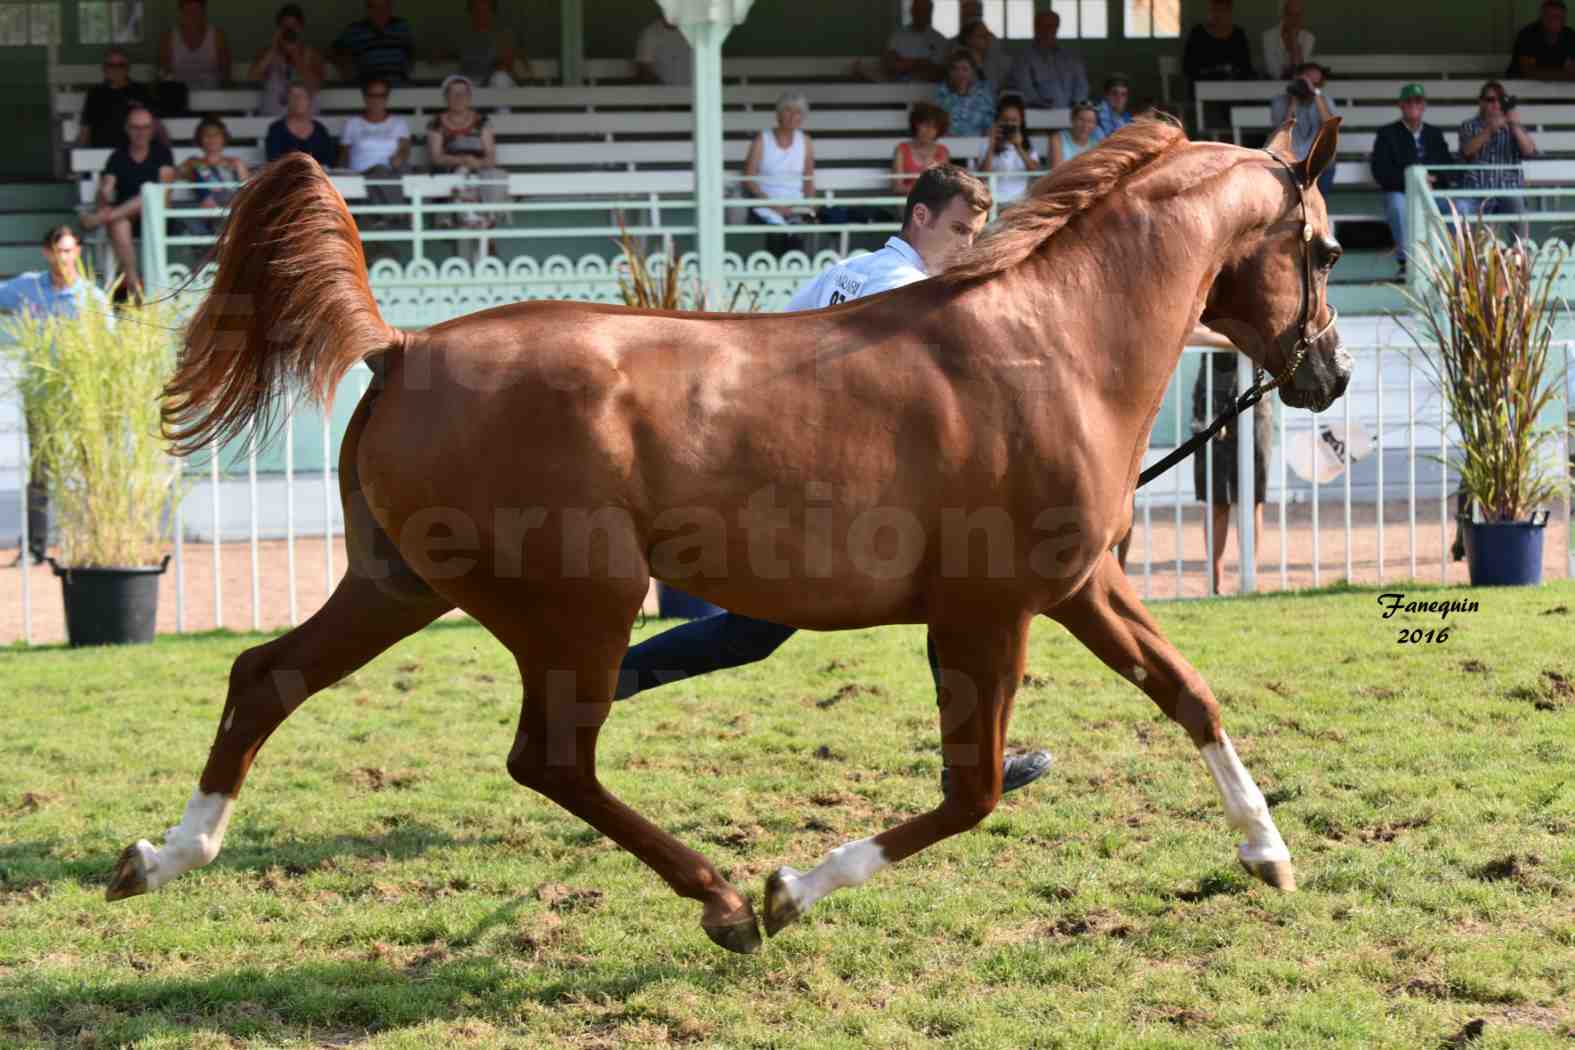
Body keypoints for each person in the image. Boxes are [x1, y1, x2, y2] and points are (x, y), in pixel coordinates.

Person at [615, 165, 1054, 798]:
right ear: (920, 217)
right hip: (839, 498)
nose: (968, 246)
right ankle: (969, 762)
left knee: (761, 633)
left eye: (976, 234)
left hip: (812, 486)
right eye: (959, 229)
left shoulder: (846, 273)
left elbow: (771, 339)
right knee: (944, 598)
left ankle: (599, 681)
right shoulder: (909, 291)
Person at [0, 227, 112, 566]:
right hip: (41, 393)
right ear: (46, 253)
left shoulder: (93, 298)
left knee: (90, 467)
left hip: (82, 392)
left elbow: (110, 347)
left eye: (67, 250)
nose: (62, 257)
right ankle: (34, 549)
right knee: (40, 472)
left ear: (77, 251)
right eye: (56, 251)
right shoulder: (27, 287)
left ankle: (97, 543)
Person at [1192, 348, 1272, 595]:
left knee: (1253, 499)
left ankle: (1249, 580)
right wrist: (1234, 339)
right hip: (1211, 398)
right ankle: (1215, 584)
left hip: (1256, 398)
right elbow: (1194, 332)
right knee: (1216, 499)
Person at [78, 105, 174, 300]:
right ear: (127, 129)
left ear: (152, 129)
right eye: (135, 127)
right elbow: (105, 190)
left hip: (157, 219)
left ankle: (100, 219)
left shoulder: (162, 153)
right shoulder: (118, 156)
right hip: (125, 220)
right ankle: (134, 284)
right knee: (118, 222)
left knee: (148, 194)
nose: (141, 132)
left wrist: (102, 215)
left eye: (145, 127)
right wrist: (103, 193)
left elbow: (163, 195)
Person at [1370, 84, 1452, 280]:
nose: (1413, 105)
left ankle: (1447, 264)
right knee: (1397, 206)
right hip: (1402, 191)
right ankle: (1407, 263)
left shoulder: (1434, 134)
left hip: (1433, 192)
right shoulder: (1387, 133)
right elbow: (1381, 172)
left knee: (1455, 207)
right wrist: (1414, 183)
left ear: (1424, 105)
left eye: (1418, 101)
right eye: (1408, 101)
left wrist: (1436, 179)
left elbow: (1447, 166)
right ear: (1401, 105)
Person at [426, 74, 508, 234]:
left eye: (463, 93)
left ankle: (484, 218)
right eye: (454, 93)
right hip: (449, 168)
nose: (459, 97)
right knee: (462, 174)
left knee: (495, 176)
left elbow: (491, 156)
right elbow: (436, 157)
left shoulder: (482, 121)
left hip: (478, 168)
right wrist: (461, 160)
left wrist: (477, 163)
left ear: (469, 97)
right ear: (446, 97)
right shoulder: (436, 123)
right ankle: (471, 220)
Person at [1457, 81, 1538, 235]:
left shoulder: (1514, 127)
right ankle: (1467, 256)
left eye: (1499, 99)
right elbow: (1466, 151)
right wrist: (1489, 130)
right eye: (1490, 99)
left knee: (1518, 205)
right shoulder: (1469, 126)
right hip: (1477, 190)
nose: (1495, 103)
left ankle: (1521, 254)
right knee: (1461, 207)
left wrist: (1514, 125)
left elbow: (1529, 151)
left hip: (1508, 188)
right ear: (1481, 102)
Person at [742, 92, 816, 255]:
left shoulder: (806, 142)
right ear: (778, 114)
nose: (792, 116)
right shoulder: (762, 140)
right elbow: (749, 180)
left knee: (798, 235)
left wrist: (810, 206)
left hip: (795, 204)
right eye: (787, 110)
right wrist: (775, 206)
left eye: (798, 112)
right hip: (767, 204)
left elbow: (808, 181)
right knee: (777, 235)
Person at [339, 77, 411, 226]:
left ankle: (384, 217)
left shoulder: (398, 123)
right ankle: (398, 215)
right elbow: (344, 154)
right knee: (376, 172)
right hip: (360, 173)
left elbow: (405, 149)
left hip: (392, 171)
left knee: (384, 174)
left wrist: (399, 157)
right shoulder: (352, 124)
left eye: (381, 95)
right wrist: (344, 174)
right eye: (372, 95)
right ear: (365, 98)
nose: (377, 100)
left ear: (387, 98)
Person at [171, 116, 248, 237]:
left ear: (223, 137)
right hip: (205, 214)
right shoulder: (194, 163)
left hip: (230, 213)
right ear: (200, 139)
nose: (212, 139)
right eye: (206, 135)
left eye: (216, 134)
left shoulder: (236, 163)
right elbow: (171, 175)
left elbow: (246, 192)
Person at [1269, 62, 1337, 198]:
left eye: (1315, 83)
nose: (1309, 86)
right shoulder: (1280, 101)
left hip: (1319, 165)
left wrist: (1315, 94)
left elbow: (1330, 125)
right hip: (1289, 164)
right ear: (1296, 78)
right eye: (1306, 80)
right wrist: (1294, 99)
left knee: (1315, 205)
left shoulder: (1324, 101)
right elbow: (1282, 131)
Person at [249, 3, 325, 118]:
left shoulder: (312, 54)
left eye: (294, 27)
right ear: (278, 29)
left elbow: (314, 87)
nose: (290, 31)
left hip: (304, 120)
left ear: (301, 29)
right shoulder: (267, 53)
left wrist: (296, 56)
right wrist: (274, 48)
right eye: (285, 27)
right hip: (272, 119)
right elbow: (252, 77)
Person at [76, 47, 158, 149]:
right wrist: (77, 155)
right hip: (102, 153)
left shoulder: (140, 91)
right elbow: (85, 129)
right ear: (104, 69)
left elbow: (155, 124)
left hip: (135, 153)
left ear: (127, 68)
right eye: (111, 65)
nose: (116, 69)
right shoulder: (95, 94)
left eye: (121, 65)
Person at [1007, 10, 1088, 110]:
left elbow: (1082, 85)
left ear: (1057, 28)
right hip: (1038, 114)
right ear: (1035, 28)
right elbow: (1024, 87)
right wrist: (1040, 103)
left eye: (1052, 26)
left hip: (1071, 114)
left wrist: (1077, 103)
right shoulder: (1023, 58)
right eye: (1043, 26)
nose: (1048, 30)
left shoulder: (1071, 57)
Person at [446, 0, 531, 87]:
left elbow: (511, 65)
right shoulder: (462, 36)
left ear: (493, 13)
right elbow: (449, 53)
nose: (481, 15)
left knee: (501, 78)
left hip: (493, 84)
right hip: (470, 84)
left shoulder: (503, 35)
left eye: (485, 11)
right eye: (477, 11)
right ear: (470, 12)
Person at [331, 0, 414, 84]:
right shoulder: (355, 30)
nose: (380, 12)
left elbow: (410, 52)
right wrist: (344, 65)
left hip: (399, 86)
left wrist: (408, 65)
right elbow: (333, 51)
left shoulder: (402, 27)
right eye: (374, 7)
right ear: (368, 9)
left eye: (384, 7)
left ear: (390, 8)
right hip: (367, 87)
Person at [978, 95, 1040, 203]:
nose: (1009, 124)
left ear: (1021, 121)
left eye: (1014, 120)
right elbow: (983, 177)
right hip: (992, 201)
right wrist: (992, 145)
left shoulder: (1027, 145)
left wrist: (1018, 147)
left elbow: (1036, 174)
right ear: (998, 120)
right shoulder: (988, 143)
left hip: (1020, 201)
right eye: (1005, 120)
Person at [157, 0, 230, 91]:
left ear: (203, 12)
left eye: (196, 11)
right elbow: (163, 73)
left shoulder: (217, 36)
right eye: (188, 12)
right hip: (178, 96)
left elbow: (226, 74)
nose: (192, 16)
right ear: (181, 13)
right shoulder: (168, 37)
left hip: (211, 96)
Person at [265, 83, 336, 168]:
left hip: (316, 178)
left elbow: (329, 160)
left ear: (309, 101)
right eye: (293, 96)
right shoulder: (276, 129)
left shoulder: (320, 129)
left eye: (302, 96)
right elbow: (273, 159)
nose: (298, 100)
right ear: (287, 101)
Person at [1183, 0, 1254, 84]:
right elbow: (1188, 67)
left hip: (1233, 89)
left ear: (1229, 12)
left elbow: (1246, 68)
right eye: (1214, 10)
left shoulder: (1238, 35)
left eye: (1222, 10)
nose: (1217, 15)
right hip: (1202, 88)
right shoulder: (1197, 34)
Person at [892, 101, 951, 195]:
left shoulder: (942, 151)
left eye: (934, 127)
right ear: (916, 124)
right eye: (925, 124)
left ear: (939, 131)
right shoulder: (901, 149)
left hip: (934, 202)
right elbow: (897, 187)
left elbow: (944, 186)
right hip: (907, 202)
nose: (929, 131)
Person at [883, 0, 949, 83]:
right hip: (899, 89)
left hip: (930, 91)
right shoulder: (897, 36)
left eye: (925, 11)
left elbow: (940, 71)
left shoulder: (940, 40)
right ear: (912, 11)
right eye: (918, 10)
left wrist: (905, 63)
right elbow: (890, 66)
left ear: (931, 12)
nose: (921, 14)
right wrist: (921, 63)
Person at [1508, 0, 1575, 80]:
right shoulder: (1528, 35)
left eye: (1559, 17)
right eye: (1550, 17)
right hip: (1523, 84)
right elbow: (1529, 72)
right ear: (1542, 18)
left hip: (1559, 85)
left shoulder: (1570, 36)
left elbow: (1572, 72)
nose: (1555, 20)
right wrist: (1563, 74)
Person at [936, 48, 994, 137]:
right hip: (948, 142)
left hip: (976, 144)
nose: (959, 73)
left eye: (965, 69)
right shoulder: (943, 91)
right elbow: (939, 122)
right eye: (955, 69)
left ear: (973, 71)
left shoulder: (984, 91)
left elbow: (989, 125)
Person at [956, 6, 1011, 91]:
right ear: (969, 40)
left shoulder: (996, 60)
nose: (987, 39)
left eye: (988, 35)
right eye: (981, 36)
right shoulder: (959, 64)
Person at [1262, 0, 1314, 81]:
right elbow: (1274, 71)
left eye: (1298, 15)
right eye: (1290, 14)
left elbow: (1301, 72)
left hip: (1300, 87)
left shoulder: (1309, 38)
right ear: (1284, 15)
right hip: (1273, 86)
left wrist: (1294, 40)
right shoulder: (1268, 37)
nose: (1294, 19)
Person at [634, 16, 690, 85]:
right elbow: (644, 69)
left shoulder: (694, 30)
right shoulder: (650, 34)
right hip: (662, 92)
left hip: (695, 90)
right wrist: (662, 90)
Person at [1049, 100, 1101, 168]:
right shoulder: (1058, 139)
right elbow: (1057, 171)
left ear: (1095, 125)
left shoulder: (1096, 144)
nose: (1085, 126)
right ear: (1072, 119)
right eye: (1081, 119)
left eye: (1090, 121)